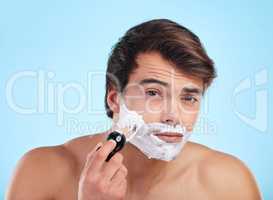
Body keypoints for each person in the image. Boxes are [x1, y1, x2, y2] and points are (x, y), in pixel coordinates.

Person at [6, 19, 261, 200]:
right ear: (115, 100)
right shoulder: (41, 172)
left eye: (189, 98)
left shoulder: (229, 183)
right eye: (153, 93)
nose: (174, 116)